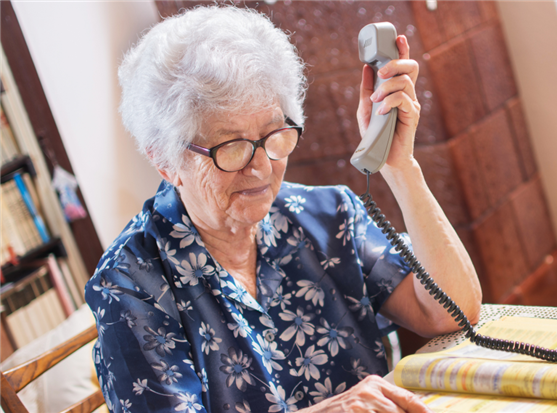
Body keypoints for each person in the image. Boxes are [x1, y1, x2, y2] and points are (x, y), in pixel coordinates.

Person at [86, 5, 481, 413]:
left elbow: (448, 313)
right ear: (166, 161)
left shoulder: (327, 215)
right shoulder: (129, 284)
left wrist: (401, 167)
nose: (260, 166)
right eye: (231, 146)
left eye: (274, 134)